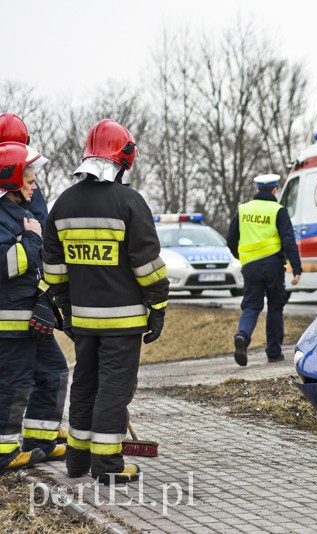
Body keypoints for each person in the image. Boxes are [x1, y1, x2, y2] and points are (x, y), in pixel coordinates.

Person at [42, 119, 169, 484]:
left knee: (85, 384)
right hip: (123, 322)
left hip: (82, 320)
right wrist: (157, 306)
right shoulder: (129, 202)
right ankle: (109, 467)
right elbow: (147, 266)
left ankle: (77, 461)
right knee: (114, 389)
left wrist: (65, 308)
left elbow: (53, 270)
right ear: (124, 158)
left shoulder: (62, 204)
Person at [0, 142, 68, 472]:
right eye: (30, 177)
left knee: (53, 374)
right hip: (10, 322)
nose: (35, 184)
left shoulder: (24, 214)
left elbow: (38, 266)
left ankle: (41, 440)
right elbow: (7, 265)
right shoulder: (3, 218)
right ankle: (4, 451)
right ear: (11, 179)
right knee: (14, 386)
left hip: (33, 318)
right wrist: (32, 239)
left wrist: (48, 303)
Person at [227, 173, 301, 366]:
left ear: (257, 189)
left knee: (251, 306)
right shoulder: (278, 210)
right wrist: (297, 268)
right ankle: (274, 352)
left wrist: (240, 256)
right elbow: (288, 240)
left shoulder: (243, 210)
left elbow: (231, 239)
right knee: (275, 307)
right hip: (273, 266)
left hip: (250, 266)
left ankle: (242, 336)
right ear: (275, 190)